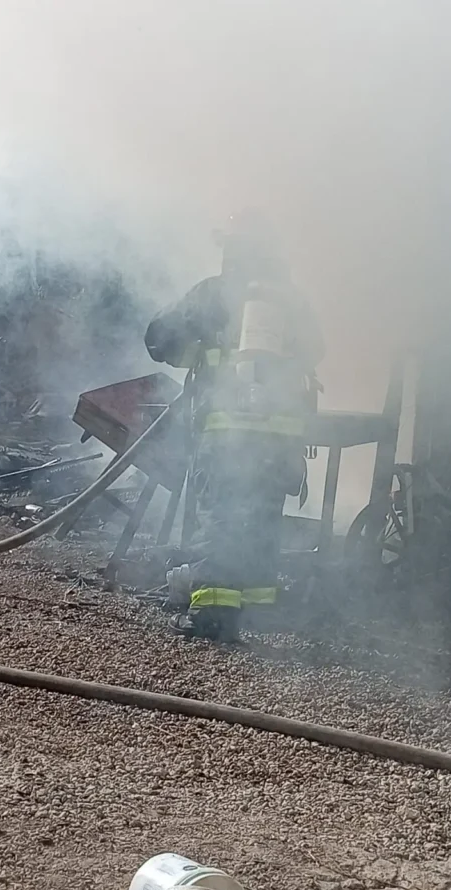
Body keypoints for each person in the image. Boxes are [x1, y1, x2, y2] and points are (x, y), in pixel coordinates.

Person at [144, 209, 324, 641]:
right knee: (261, 517)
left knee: (222, 515)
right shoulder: (291, 299)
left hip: (227, 428)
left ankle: (213, 613)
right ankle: (258, 607)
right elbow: (316, 349)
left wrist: (198, 346)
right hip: (281, 434)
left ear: (233, 249)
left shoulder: (213, 294)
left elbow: (157, 338)